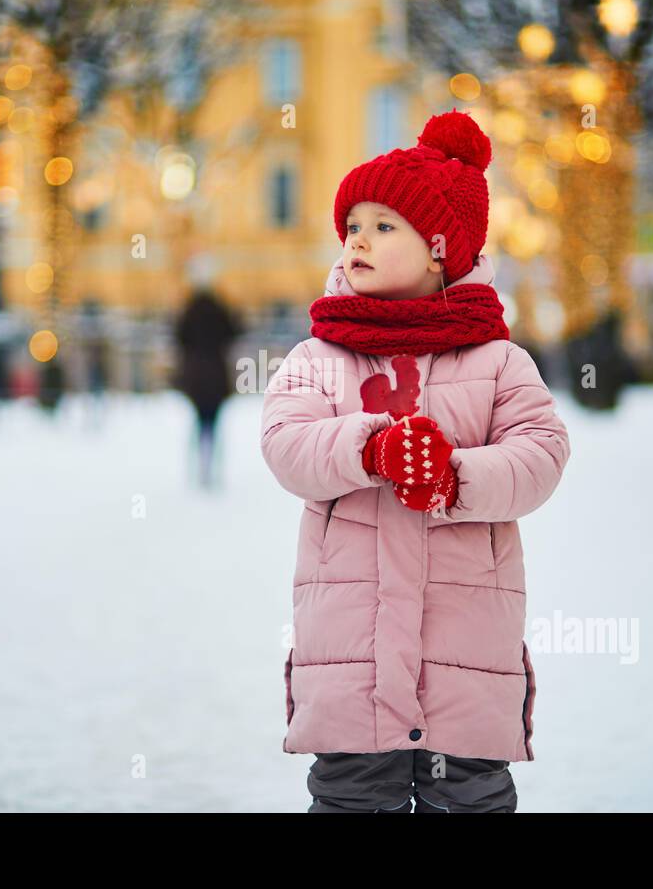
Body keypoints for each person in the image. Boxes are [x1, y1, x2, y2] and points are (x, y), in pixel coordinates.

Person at [260, 111, 571, 812]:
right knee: (350, 799)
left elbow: (542, 453)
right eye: (351, 227)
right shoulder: (320, 357)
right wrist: (366, 449)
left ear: (439, 250)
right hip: (352, 660)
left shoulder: (496, 361)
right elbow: (286, 443)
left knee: (470, 800)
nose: (357, 240)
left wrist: (457, 477)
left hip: (465, 658)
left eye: (382, 225)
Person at [174, 264, 243, 489]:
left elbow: (179, 338)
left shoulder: (188, 309)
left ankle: (198, 469)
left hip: (194, 376)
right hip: (216, 375)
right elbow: (234, 333)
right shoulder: (219, 308)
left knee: (198, 422)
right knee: (214, 424)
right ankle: (211, 468)